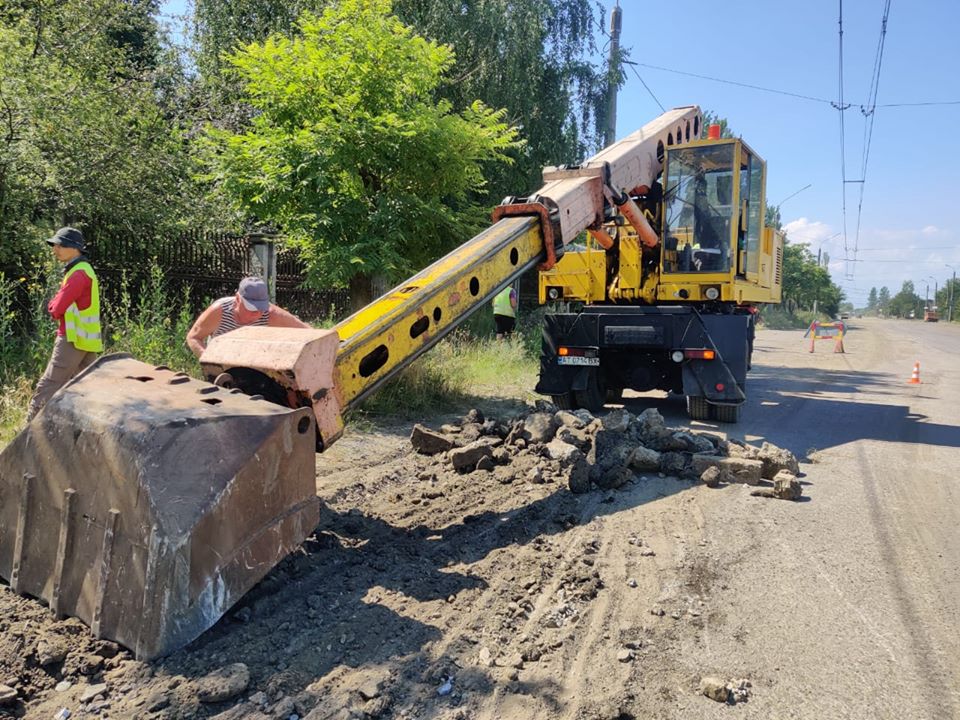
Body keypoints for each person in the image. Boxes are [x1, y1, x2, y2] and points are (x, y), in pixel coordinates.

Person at [27, 227, 103, 420]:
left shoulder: (78, 273)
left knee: (49, 384)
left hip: (71, 338)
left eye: (60, 245)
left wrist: (52, 305)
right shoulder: (83, 270)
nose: (55, 249)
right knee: (89, 387)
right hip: (85, 340)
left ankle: (31, 430)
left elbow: (56, 308)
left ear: (75, 248)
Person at [186, 276, 311, 358]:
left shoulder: (271, 314)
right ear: (237, 299)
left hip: (254, 368)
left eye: (261, 308)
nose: (257, 314)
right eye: (251, 308)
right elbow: (194, 337)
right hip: (220, 366)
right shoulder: (219, 311)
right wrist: (208, 359)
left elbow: (308, 333)